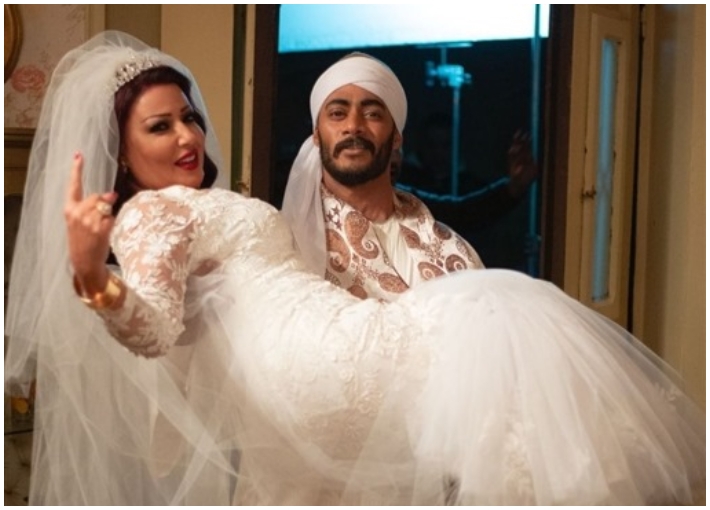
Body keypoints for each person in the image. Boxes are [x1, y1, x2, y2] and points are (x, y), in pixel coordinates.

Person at [5, 31, 705, 505]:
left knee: (506, 319)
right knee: (509, 309)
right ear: (120, 150)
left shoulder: (216, 205)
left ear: (395, 136)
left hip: (343, 372)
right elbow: (154, 327)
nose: (188, 135)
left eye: (188, 117)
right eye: (160, 127)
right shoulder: (153, 214)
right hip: (324, 371)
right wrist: (93, 277)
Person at [280, 53, 484, 301]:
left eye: (372, 114)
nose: (353, 126)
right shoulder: (288, 245)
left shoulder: (455, 253)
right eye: (337, 113)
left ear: (396, 136)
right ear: (316, 134)